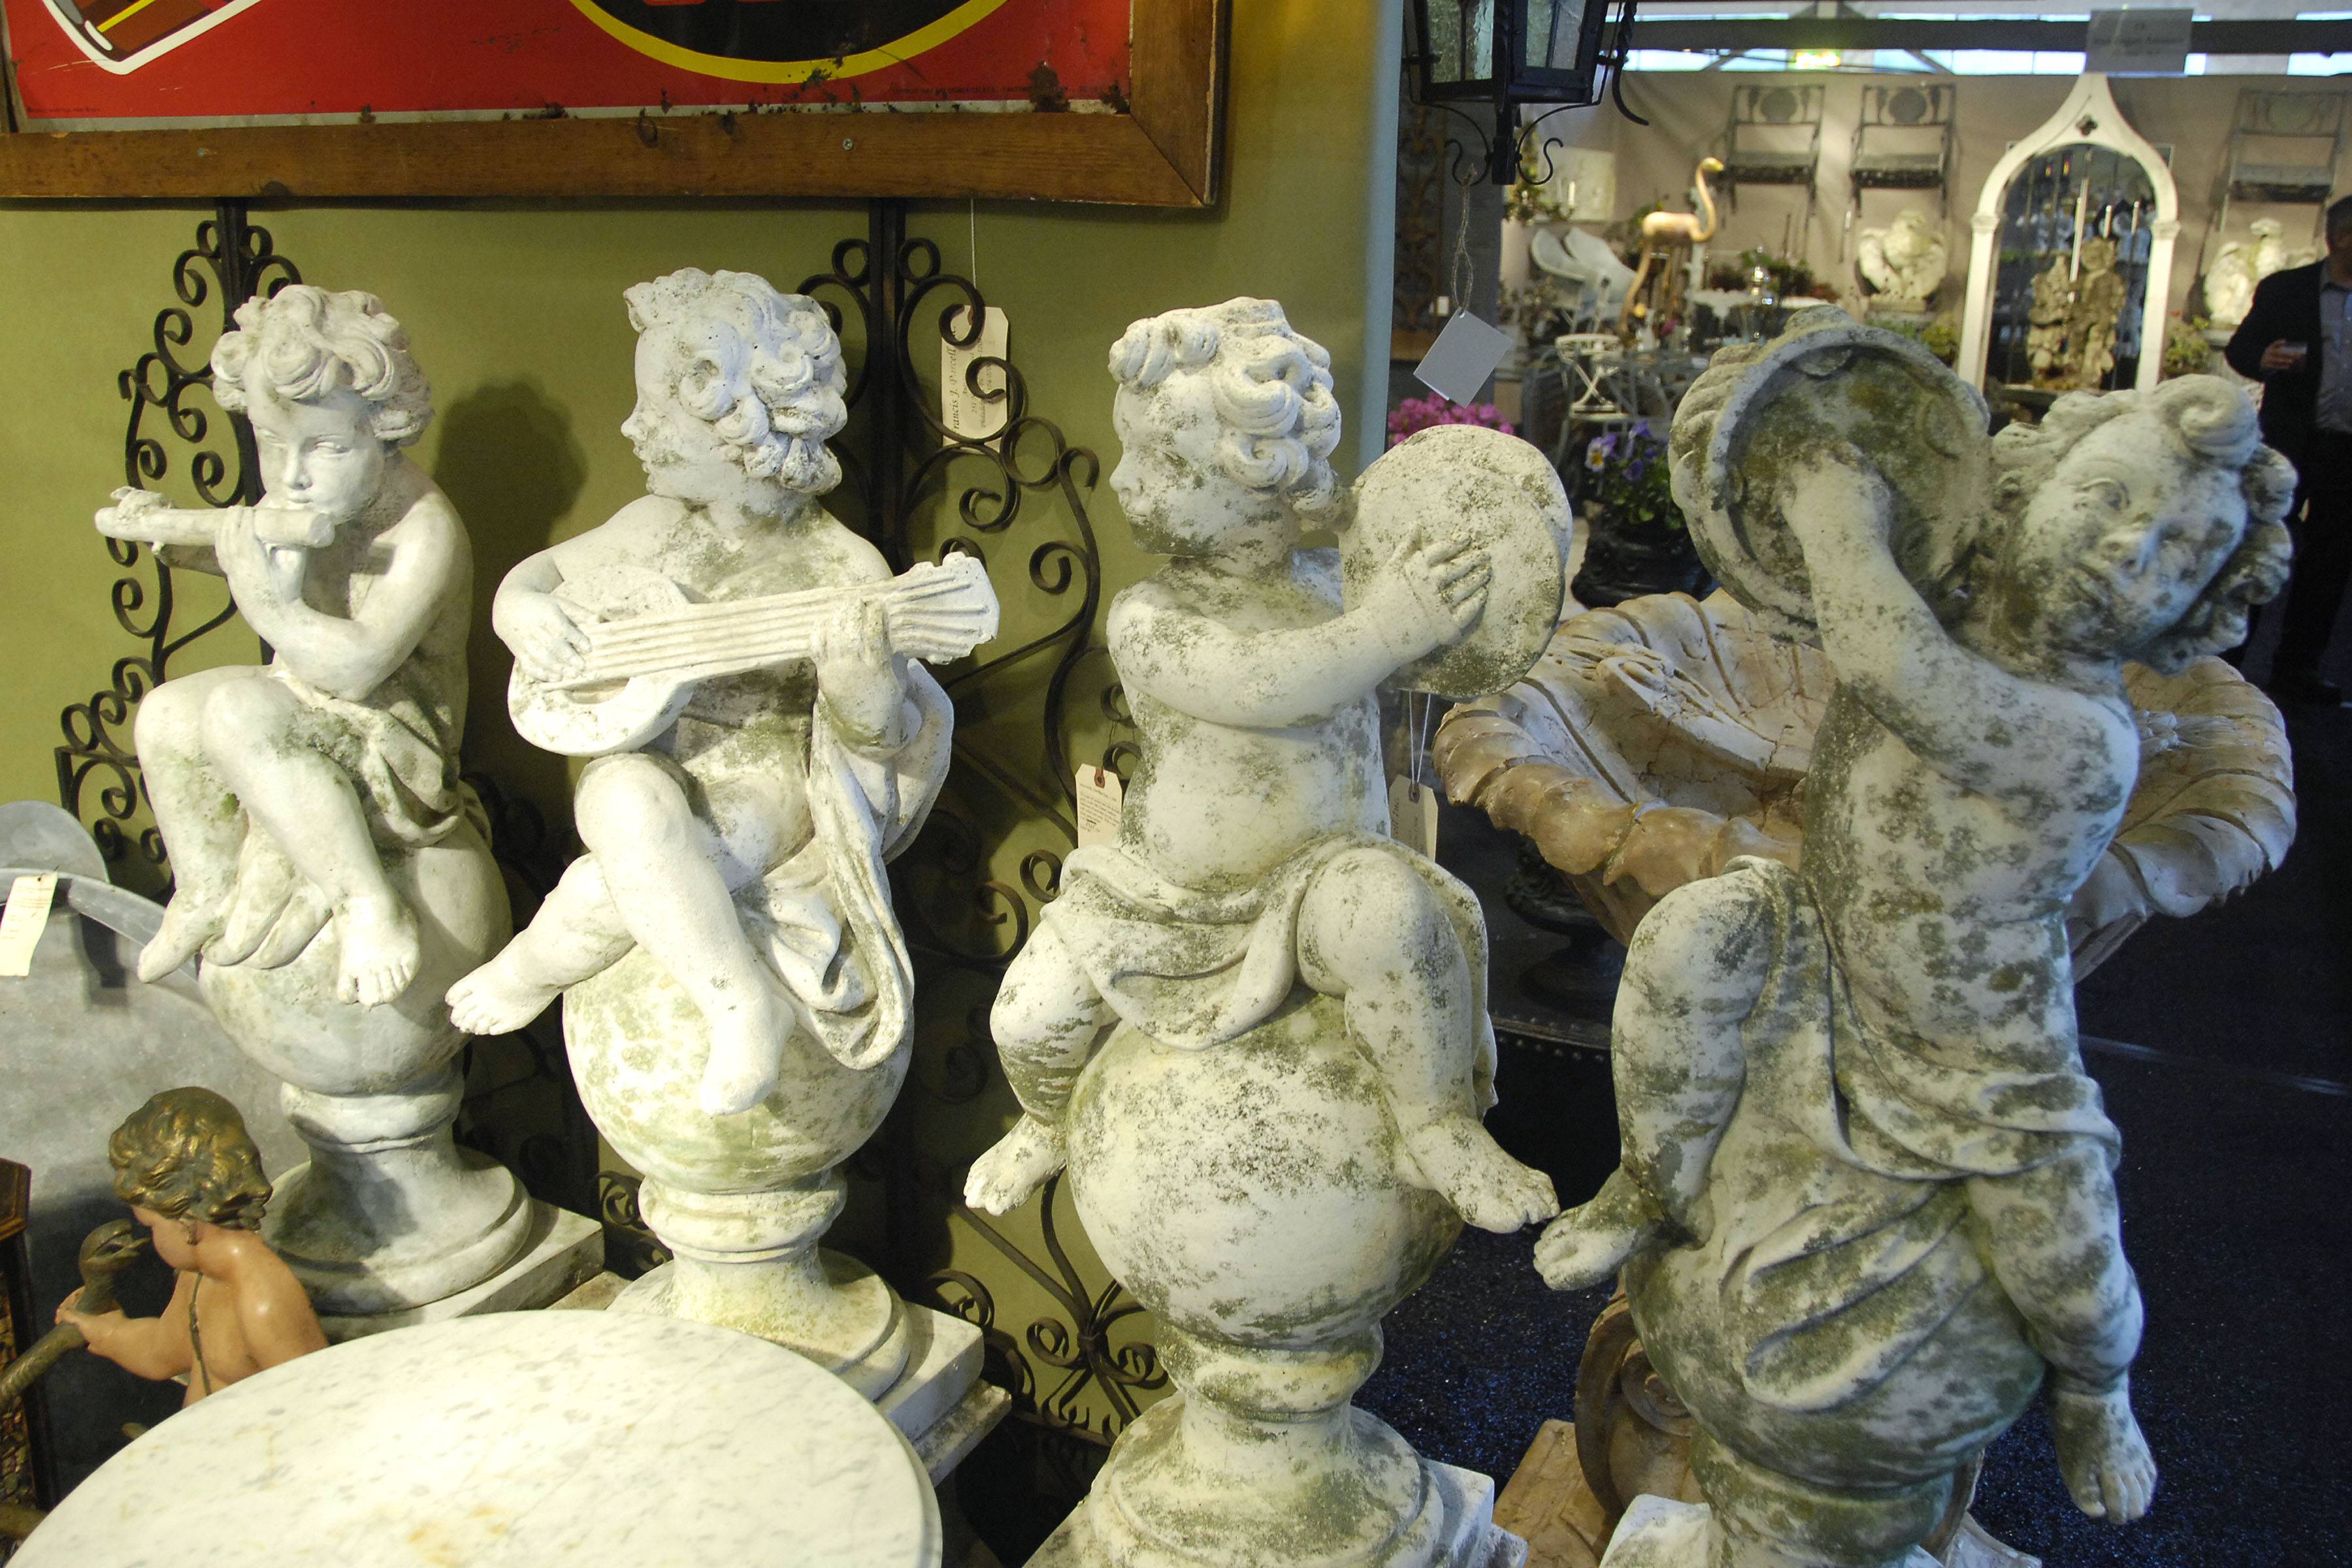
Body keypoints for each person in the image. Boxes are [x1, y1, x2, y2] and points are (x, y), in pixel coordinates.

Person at [1541, 378, 2291, 1522]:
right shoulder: (1945, 594)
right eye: (2110, 498)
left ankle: (2098, 1390)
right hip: (1824, 946)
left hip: (1980, 1050)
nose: (2131, 550)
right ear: (2024, 489)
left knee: (2068, 1260)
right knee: (1692, 939)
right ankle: (1649, 1179)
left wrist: (1831, 502)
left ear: (2195, 609)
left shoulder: (2085, 737)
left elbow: (1889, 663)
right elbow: (1787, 533)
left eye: (2182, 553)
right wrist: (1773, 431)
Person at [964, 299, 1558, 1233]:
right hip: (1162, 900)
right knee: (1029, 1017)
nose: (1126, 480)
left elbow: (1455, 642)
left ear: (1265, 482)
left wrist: (1490, 574)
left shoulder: (1343, 591)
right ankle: (1045, 1118)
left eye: (1161, 462)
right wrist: (1390, 628)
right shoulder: (1152, 619)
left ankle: (1436, 1125)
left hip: (1320, 879)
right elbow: (1264, 684)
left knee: (1392, 920)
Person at [447, 269, 950, 1116]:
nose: (630, 427)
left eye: (655, 408)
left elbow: (877, 739)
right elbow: (538, 577)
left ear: (738, 424)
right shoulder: (651, 527)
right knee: (620, 799)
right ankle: (728, 997)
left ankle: (709, 999)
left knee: (617, 880)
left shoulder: (841, 568)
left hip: (769, 774)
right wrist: (519, 611)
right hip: (662, 761)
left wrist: (860, 679)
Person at [118, 286, 468, 1007]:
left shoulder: (424, 529)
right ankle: (205, 887)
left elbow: (358, 668)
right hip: (306, 695)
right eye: (273, 443)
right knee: (166, 714)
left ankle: (368, 904)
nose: (293, 474)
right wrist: (176, 541)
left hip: (395, 735)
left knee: (237, 712)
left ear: (387, 430)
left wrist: (269, 604)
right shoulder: (311, 495)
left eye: (327, 447)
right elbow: (258, 558)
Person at [57, 1088, 327, 1405]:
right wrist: (105, 1331)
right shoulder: (199, 1276)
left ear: (184, 1219)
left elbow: (315, 1407)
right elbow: (162, 1352)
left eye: (151, 1225)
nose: (152, 1237)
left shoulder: (264, 1300)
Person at [2223, 193, 2352, 704]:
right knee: (2260, 551)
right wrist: (2264, 357)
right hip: (2291, 445)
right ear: (2340, 238)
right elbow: (2240, 349)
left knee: (2330, 564)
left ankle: (2298, 669)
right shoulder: (2287, 289)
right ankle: (2229, 667)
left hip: (2348, 452)